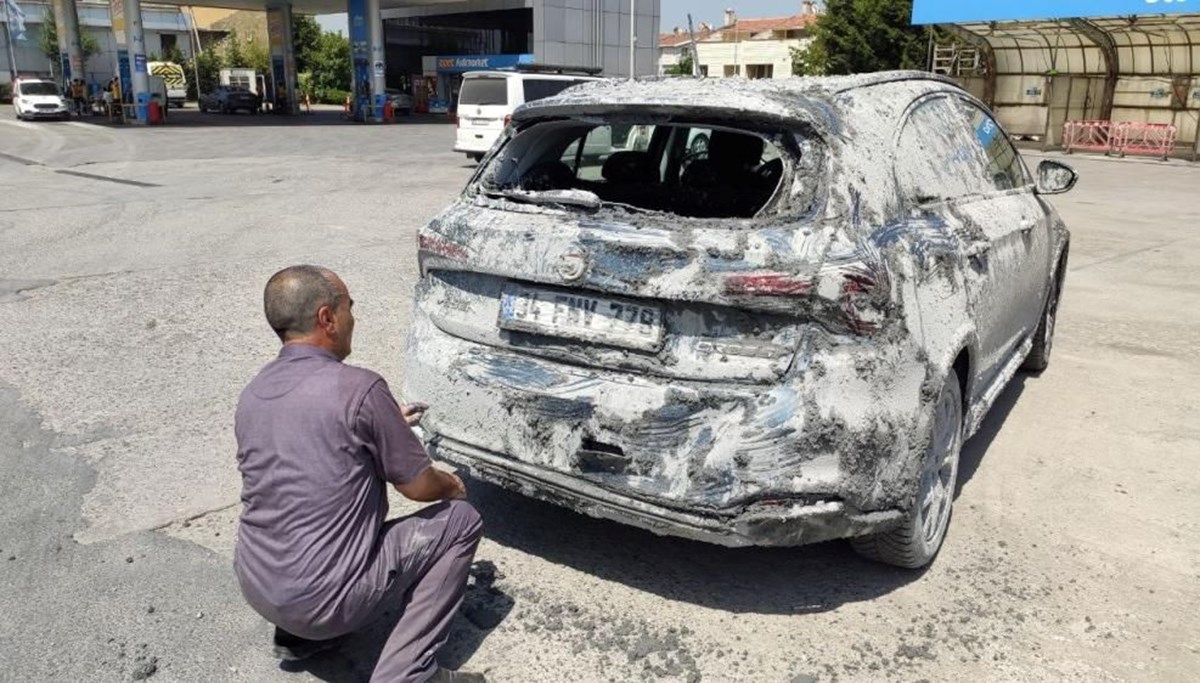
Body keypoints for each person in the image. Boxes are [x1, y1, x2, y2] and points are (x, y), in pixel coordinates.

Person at [234, 265, 486, 683]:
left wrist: (384, 423)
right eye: (349, 307)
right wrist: (454, 485)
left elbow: (312, 440)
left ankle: (297, 638)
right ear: (326, 318)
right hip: (323, 603)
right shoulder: (359, 388)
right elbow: (420, 488)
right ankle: (408, 674)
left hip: (257, 585)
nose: (354, 317)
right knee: (460, 522)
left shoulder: (255, 391)